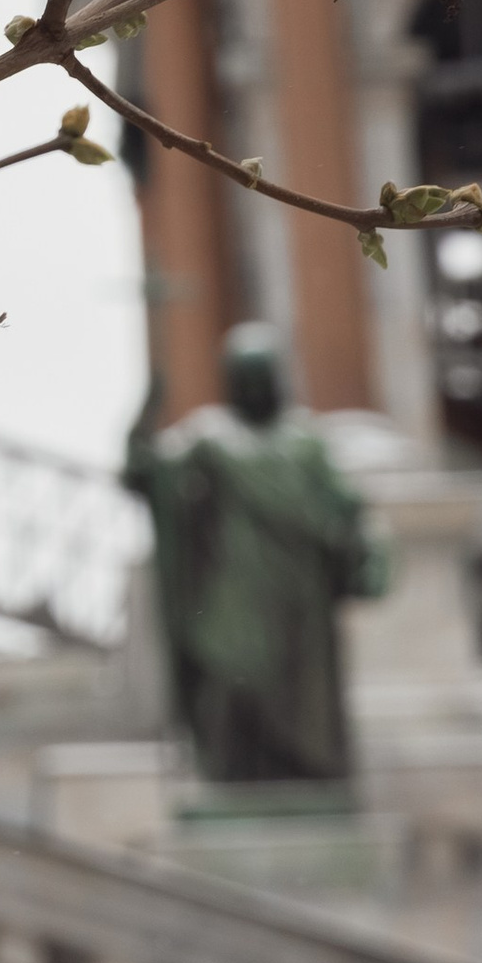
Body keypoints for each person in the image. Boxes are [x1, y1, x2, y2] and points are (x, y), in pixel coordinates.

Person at [122, 322, 389, 786]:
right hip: (234, 590)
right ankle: (232, 779)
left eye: (261, 376)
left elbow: (343, 508)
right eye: (245, 378)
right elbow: (148, 476)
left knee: (299, 699)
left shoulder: (305, 442)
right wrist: (147, 411)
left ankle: (301, 779)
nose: (255, 387)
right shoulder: (210, 438)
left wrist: (365, 541)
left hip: (296, 598)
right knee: (229, 680)